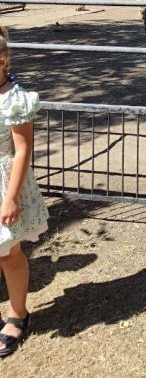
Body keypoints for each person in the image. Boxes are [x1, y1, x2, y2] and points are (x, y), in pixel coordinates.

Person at [0, 25, 48, 356]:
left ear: (2, 61)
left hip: (3, 184)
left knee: (7, 252)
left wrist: (12, 197)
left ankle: (17, 314)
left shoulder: (15, 101)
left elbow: (22, 150)